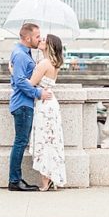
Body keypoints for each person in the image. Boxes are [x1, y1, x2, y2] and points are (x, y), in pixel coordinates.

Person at [8, 23, 52, 191]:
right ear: (27, 38)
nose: (39, 38)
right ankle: (14, 181)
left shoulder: (23, 53)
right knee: (20, 142)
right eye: (37, 36)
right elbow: (19, 82)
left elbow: (18, 78)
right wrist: (38, 93)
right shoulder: (20, 55)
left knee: (20, 141)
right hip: (23, 105)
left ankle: (16, 179)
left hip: (23, 104)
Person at [28, 34, 67, 191]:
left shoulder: (44, 63)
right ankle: (49, 176)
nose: (40, 41)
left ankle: (46, 179)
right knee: (51, 141)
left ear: (49, 45)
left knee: (44, 141)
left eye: (44, 40)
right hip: (51, 104)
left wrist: (12, 71)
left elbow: (30, 84)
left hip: (44, 106)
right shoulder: (54, 63)